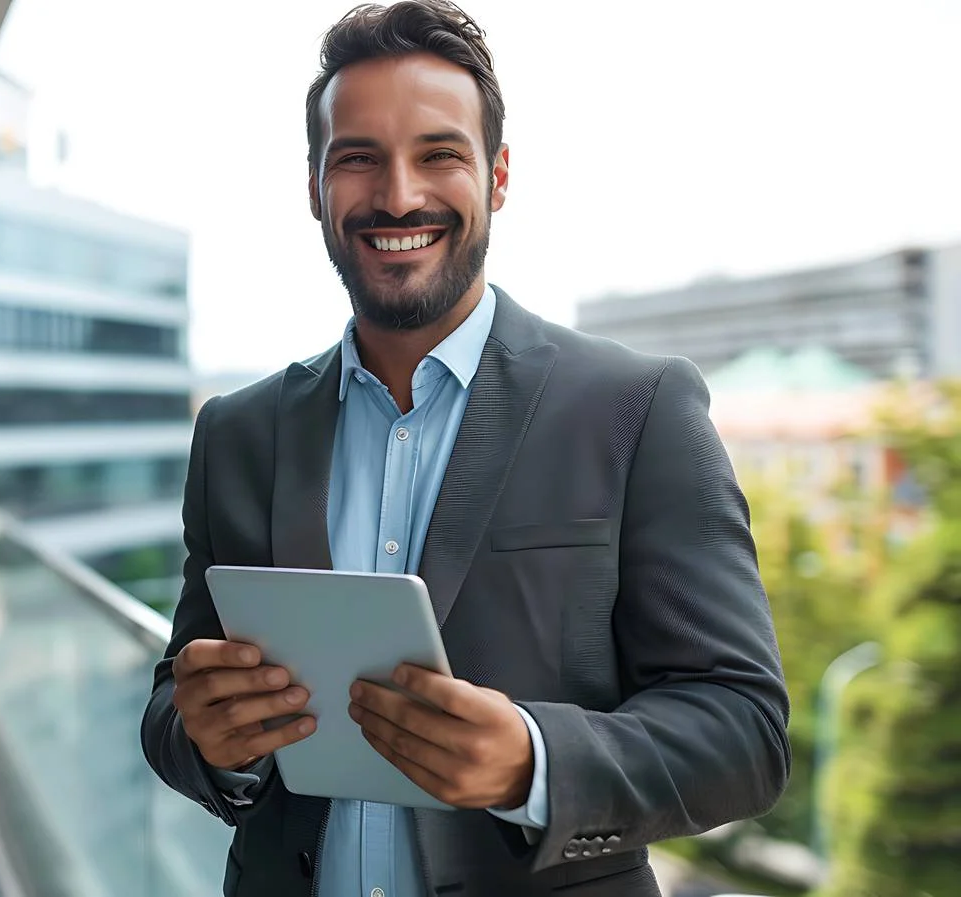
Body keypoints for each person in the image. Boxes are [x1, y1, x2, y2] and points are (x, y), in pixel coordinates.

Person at [138, 2, 791, 895]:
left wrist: (535, 762)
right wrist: (208, 739)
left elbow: (745, 731)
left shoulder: (637, 408)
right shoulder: (238, 432)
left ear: (497, 175)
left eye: (438, 154)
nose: (398, 195)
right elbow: (175, 699)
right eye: (358, 157)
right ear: (315, 187)